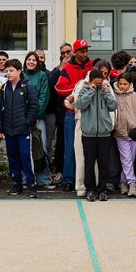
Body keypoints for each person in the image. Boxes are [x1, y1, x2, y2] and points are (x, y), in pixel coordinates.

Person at [0, 59, 39, 197]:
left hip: (23, 130)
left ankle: (31, 185)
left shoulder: (28, 87)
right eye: (7, 71)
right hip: (9, 130)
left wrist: (27, 121)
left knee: (26, 157)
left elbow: (34, 106)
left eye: (11, 71)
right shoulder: (3, 88)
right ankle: (17, 184)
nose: (8, 73)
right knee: (13, 158)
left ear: (19, 71)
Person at [55, 39, 93, 192]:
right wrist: (79, 88)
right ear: (75, 52)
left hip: (91, 112)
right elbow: (59, 88)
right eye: (82, 51)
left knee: (90, 147)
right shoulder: (68, 68)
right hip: (72, 112)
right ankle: (69, 179)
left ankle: (87, 179)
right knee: (70, 146)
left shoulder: (93, 66)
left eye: (86, 50)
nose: (85, 53)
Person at [76, 67, 118, 201]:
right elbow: (81, 105)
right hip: (88, 133)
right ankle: (90, 189)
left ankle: (102, 189)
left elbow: (113, 106)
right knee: (89, 163)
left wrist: (105, 92)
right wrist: (91, 90)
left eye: (101, 82)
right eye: (97, 82)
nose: (99, 84)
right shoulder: (85, 89)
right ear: (91, 81)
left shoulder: (106, 90)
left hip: (104, 133)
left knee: (104, 164)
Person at [111, 71, 136, 197]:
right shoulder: (113, 96)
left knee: (130, 159)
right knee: (126, 158)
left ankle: (123, 181)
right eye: (120, 84)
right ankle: (132, 183)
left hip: (134, 132)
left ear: (130, 84)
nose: (122, 86)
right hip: (120, 132)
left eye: (125, 84)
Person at [23, 51, 53, 185]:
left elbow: (43, 97)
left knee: (42, 147)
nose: (31, 62)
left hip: (37, 119)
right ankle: (25, 178)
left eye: (34, 60)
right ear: (25, 62)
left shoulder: (42, 76)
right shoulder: (21, 75)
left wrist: (33, 115)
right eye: (29, 59)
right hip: (22, 119)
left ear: (38, 62)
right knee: (24, 149)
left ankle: (43, 178)